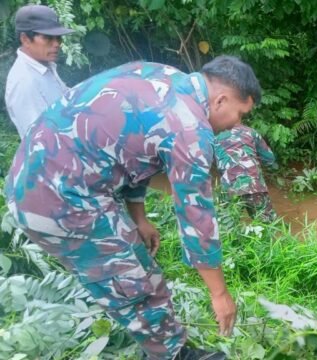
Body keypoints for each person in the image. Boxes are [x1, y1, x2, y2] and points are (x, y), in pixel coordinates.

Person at [4, 55, 261, 360]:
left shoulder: (161, 75)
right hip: (56, 198)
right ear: (220, 100)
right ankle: (170, 355)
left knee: (143, 270)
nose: (238, 124)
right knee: (131, 284)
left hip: (46, 175)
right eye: (241, 113)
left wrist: (138, 217)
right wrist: (219, 294)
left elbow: (136, 150)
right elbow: (196, 217)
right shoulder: (190, 129)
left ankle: (169, 346)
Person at [4, 4, 74, 137]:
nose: (57, 44)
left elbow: (66, 99)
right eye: (48, 38)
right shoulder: (24, 81)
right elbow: (40, 139)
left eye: (58, 37)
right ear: (25, 39)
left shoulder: (44, 66)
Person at [214, 124, 279, 222]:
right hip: (254, 184)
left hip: (229, 187)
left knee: (228, 228)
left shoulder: (214, 137)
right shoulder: (250, 132)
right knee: (267, 224)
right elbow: (269, 158)